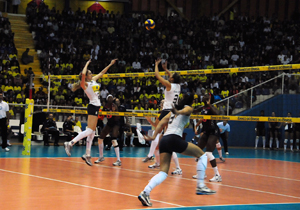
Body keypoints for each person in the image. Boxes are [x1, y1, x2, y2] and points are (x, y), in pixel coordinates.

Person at [138, 93, 216, 207]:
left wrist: (154, 136)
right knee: (202, 156)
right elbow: (187, 111)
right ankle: (200, 186)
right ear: (191, 102)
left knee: (163, 172)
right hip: (174, 138)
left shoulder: (171, 112)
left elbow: (161, 123)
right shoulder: (187, 108)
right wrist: (178, 112)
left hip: (164, 140)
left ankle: (145, 192)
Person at [64, 58, 117, 166]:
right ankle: (70, 143)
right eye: (89, 73)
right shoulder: (85, 84)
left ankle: (87, 155)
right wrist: (87, 63)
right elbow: (82, 74)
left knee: (92, 133)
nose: (91, 73)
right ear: (86, 76)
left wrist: (110, 64)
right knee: (89, 131)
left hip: (96, 107)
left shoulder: (93, 80)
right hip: (93, 106)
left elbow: (102, 73)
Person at [142, 59, 181, 163]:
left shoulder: (169, 85)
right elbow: (173, 76)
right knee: (165, 137)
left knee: (157, 130)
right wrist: (166, 69)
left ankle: (152, 155)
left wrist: (156, 65)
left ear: (172, 79)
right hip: (173, 112)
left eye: (170, 76)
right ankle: (159, 161)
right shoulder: (178, 86)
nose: (169, 76)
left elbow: (157, 76)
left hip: (167, 110)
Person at [193, 94, 222, 182]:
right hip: (206, 131)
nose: (205, 99)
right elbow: (194, 111)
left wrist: (209, 104)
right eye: (204, 98)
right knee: (198, 151)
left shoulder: (212, 108)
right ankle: (202, 173)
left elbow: (217, 114)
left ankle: (217, 175)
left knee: (208, 153)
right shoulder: (202, 108)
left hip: (213, 131)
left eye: (207, 98)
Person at [94, 95, 122, 166]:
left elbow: (118, 115)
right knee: (100, 139)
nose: (110, 99)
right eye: (109, 98)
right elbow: (102, 114)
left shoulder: (115, 104)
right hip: (109, 123)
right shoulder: (105, 106)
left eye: (111, 98)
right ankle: (101, 157)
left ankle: (118, 160)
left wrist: (115, 108)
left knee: (114, 140)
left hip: (116, 123)